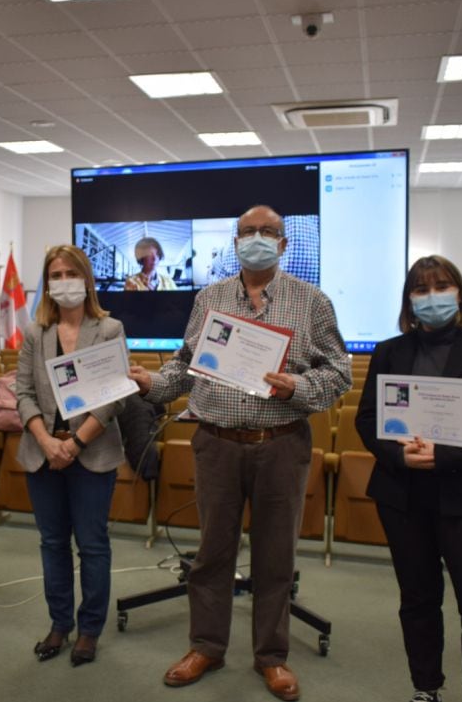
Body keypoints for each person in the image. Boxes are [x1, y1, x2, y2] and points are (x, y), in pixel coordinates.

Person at [128, 205, 350, 701]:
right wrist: (153, 384)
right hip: (217, 444)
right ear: (234, 242)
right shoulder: (210, 297)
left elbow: (339, 373)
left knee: (276, 556)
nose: (256, 239)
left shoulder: (311, 301)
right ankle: (206, 646)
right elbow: (185, 367)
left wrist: (297, 385)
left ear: (284, 243)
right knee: (212, 553)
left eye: (267, 232)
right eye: (247, 232)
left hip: (281, 445)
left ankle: (272, 658)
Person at [354, 255, 462, 702]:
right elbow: (368, 419)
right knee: (420, 600)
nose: (432, 297)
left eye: (441, 287)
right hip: (403, 494)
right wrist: (399, 453)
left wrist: (443, 455)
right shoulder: (389, 352)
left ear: (459, 293)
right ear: (409, 300)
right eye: (421, 290)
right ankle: (426, 686)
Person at [14, 245, 127, 666]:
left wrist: (75, 444)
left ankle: (90, 629)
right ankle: (60, 624)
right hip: (43, 452)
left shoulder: (110, 329)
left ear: (86, 279)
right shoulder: (34, 331)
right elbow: (23, 392)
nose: (63, 281)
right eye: (55, 275)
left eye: (70, 273)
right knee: (52, 543)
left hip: (92, 452)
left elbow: (113, 398)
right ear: (47, 283)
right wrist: (47, 441)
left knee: (93, 545)